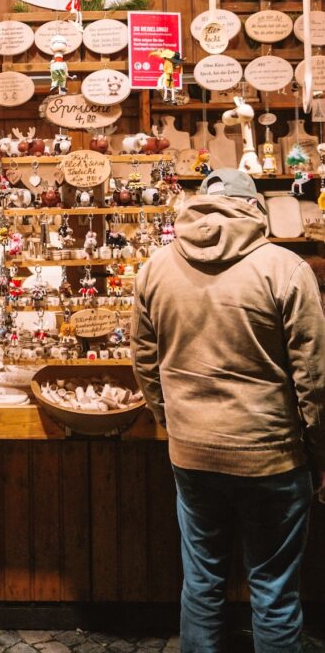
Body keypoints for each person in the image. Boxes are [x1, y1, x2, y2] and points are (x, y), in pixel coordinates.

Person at [131, 169, 325, 653]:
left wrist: (170, 421)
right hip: (271, 453)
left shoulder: (156, 267)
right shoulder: (285, 268)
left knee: (201, 582)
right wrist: (320, 449)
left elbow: (144, 361)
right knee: (275, 592)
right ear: (254, 210)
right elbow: (314, 377)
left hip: (193, 452)